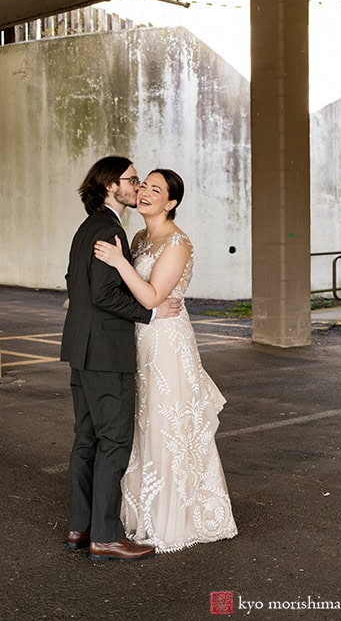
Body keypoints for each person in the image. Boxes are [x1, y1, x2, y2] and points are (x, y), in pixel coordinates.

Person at [93, 168, 238, 552]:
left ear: (170, 203)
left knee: (164, 421)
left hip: (165, 342)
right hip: (137, 338)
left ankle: (174, 519)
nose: (143, 193)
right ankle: (140, 511)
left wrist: (120, 262)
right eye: (143, 186)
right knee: (141, 422)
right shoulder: (140, 237)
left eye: (155, 190)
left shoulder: (178, 243)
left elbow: (153, 296)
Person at [60, 156, 181, 562]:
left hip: (82, 348)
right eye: (132, 180)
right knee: (114, 441)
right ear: (112, 185)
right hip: (107, 352)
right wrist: (148, 312)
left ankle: (81, 527)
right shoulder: (110, 229)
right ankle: (107, 537)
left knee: (87, 439)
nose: (137, 187)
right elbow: (104, 294)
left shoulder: (87, 226)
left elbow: (74, 282)